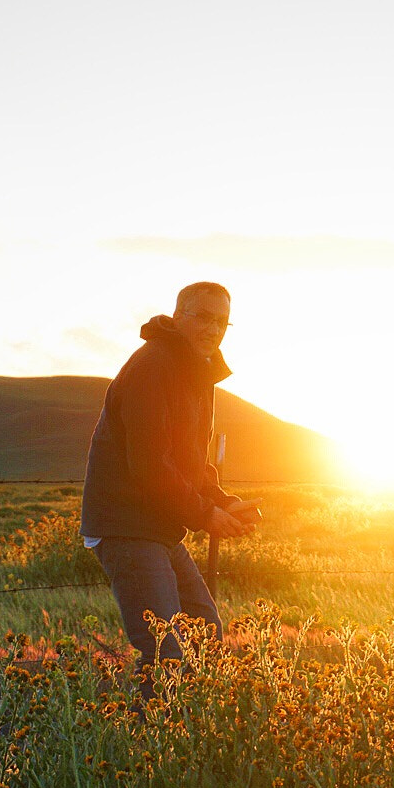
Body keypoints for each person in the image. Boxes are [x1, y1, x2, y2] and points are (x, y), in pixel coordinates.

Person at [79, 281, 261, 712]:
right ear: (178, 315)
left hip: (158, 530)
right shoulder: (155, 366)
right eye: (202, 316)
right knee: (166, 654)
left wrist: (219, 500)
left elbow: (190, 459)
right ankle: (149, 755)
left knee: (204, 633)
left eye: (222, 320)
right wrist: (205, 514)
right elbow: (150, 465)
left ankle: (190, 735)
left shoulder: (197, 370)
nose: (212, 327)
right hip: (126, 528)